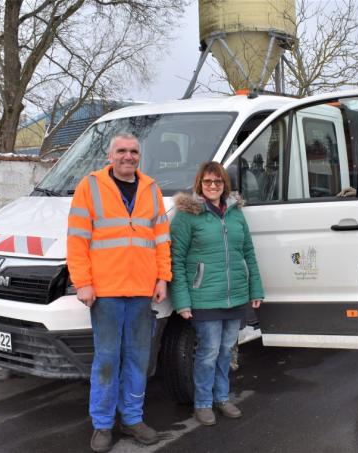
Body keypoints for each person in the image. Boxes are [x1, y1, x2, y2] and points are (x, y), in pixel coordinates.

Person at [67, 133, 171, 452]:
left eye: (134, 151)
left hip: (141, 289)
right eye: (122, 151)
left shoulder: (151, 188)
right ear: (110, 156)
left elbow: (161, 238)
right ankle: (102, 424)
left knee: (138, 358)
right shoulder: (91, 186)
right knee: (108, 358)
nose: (128, 156)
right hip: (106, 291)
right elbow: (77, 239)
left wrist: (162, 278)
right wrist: (82, 282)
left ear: (140, 156)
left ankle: (132, 418)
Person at [169, 161, 264, 426]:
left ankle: (222, 398)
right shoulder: (188, 215)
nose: (213, 186)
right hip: (204, 297)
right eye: (208, 182)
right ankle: (202, 403)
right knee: (208, 352)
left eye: (218, 182)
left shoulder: (235, 213)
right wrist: (182, 301)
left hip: (234, 296)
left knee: (226, 351)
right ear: (199, 184)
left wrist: (256, 288)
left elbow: (248, 252)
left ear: (225, 185)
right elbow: (175, 259)